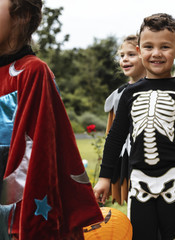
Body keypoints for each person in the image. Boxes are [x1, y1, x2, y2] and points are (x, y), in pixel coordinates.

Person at [93, 13, 175, 240]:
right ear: (139, 50)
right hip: (138, 178)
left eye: (165, 47)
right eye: (148, 46)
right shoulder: (129, 93)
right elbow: (115, 138)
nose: (156, 53)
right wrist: (104, 177)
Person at [0, 0, 103, 239]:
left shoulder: (31, 72)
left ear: (22, 15)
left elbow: (38, 152)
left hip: (13, 207)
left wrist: (20, 219)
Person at [104, 34, 146, 205]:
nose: (125, 60)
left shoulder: (163, 90)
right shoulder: (118, 95)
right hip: (127, 159)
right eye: (122, 56)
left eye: (131, 54)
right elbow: (111, 133)